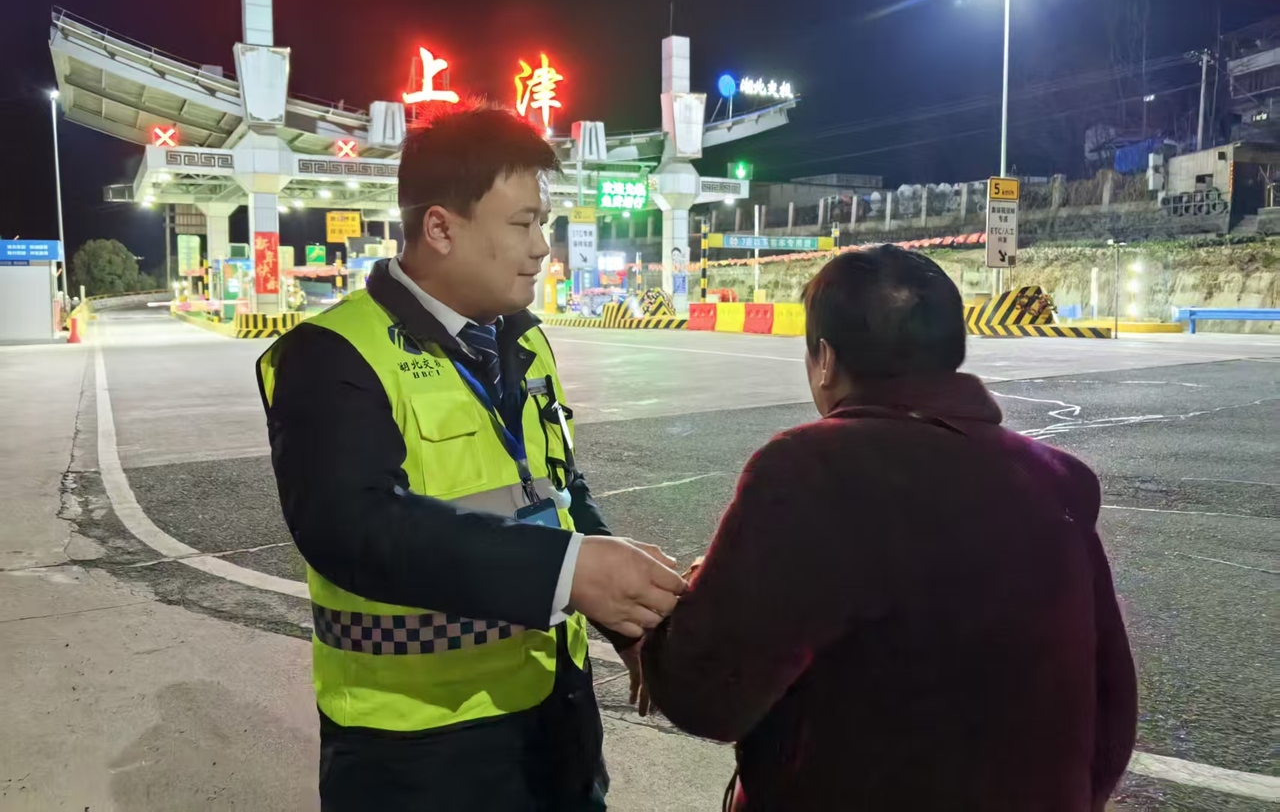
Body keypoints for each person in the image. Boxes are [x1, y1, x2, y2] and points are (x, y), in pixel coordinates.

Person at [257, 105, 686, 811]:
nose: (542, 247)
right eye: (522, 224)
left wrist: (625, 619)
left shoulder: (524, 342)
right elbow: (351, 529)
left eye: (544, 222)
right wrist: (568, 570)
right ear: (440, 228)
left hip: (556, 720)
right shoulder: (332, 356)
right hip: (418, 751)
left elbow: (556, 491)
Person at [642, 245, 1137, 811]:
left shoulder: (810, 467)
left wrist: (667, 622)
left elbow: (710, 694)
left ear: (825, 360)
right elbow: (1111, 707)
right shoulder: (1058, 478)